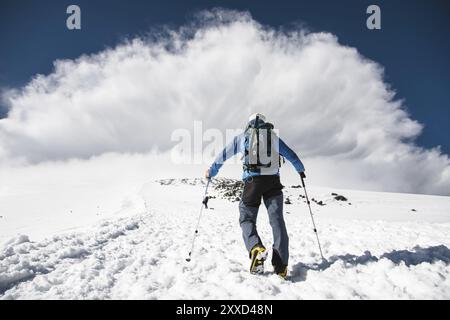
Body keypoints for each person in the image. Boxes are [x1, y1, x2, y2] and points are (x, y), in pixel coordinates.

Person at [205, 113, 306, 279]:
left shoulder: (243, 137)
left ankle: (255, 248)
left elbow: (224, 154)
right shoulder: (273, 137)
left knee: (246, 218)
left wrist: (212, 171)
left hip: (253, 182)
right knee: (277, 220)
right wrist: (300, 170)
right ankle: (281, 265)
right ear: (265, 123)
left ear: (249, 123)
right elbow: (291, 155)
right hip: (273, 182)